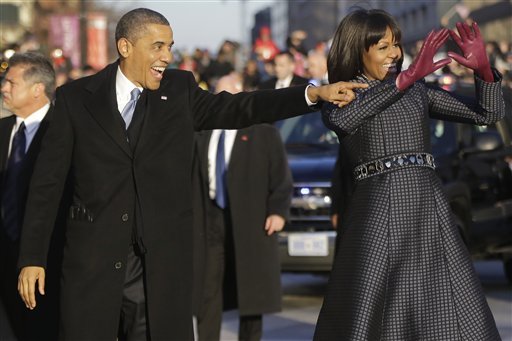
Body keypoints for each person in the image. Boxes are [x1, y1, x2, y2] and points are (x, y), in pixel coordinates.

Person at [16, 8, 366, 340]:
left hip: (159, 266)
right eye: (157, 46)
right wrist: (32, 257)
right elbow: (47, 184)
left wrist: (312, 94)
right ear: (125, 47)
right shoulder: (76, 98)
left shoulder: (179, 90)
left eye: (169, 46)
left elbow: (240, 107)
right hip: (91, 264)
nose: (167, 56)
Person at [314, 9, 505, 340]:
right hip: (377, 210)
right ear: (358, 50)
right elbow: (345, 120)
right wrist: (408, 77)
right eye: (383, 47)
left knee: (448, 304)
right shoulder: (341, 93)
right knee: (372, 310)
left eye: (397, 45)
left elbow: (488, 114)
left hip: (428, 205)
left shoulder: (417, 90)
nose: (394, 54)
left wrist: (485, 71)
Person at [193, 72, 291, 340]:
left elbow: (281, 178)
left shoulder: (263, 132)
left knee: (251, 292)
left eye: (224, 93)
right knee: (207, 289)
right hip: (211, 218)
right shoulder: (202, 131)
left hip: (250, 218)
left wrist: (277, 211)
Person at [0, 52, 65, 340]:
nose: (3, 87)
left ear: (37, 88)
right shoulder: (2, 130)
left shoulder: (63, 130)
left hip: (48, 263)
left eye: (11, 82)